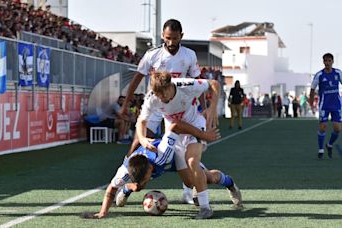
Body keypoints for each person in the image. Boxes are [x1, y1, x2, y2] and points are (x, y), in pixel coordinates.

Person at [119, 19, 206, 203]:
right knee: (137, 143)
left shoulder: (189, 55)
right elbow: (137, 78)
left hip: (177, 106)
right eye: (168, 38)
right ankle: (123, 182)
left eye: (175, 38)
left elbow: (199, 82)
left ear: (181, 36)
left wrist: (204, 109)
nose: (171, 42)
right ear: (162, 36)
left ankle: (188, 190)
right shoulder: (152, 55)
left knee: (183, 150)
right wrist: (126, 102)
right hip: (154, 105)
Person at [82, 121, 242, 219]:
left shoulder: (161, 154)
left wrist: (203, 134)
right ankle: (128, 189)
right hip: (146, 164)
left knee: (204, 179)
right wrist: (103, 212)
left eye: (146, 178)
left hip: (176, 155)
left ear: (150, 169)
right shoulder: (125, 170)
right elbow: (110, 190)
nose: (147, 182)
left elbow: (175, 126)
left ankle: (230, 183)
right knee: (138, 187)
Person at [136, 72, 220, 219]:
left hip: (195, 125)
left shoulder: (184, 85)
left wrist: (212, 107)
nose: (161, 97)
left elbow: (214, 84)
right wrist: (142, 139)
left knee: (192, 161)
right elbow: (141, 121)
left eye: (163, 93)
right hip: (175, 135)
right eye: (158, 94)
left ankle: (205, 208)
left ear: (170, 85)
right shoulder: (152, 97)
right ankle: (223, 180)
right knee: (189, 181)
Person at [309, 53, 342, 159]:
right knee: (323, 127)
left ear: (332, 61)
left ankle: (329, 144)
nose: (327, 63)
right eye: (325, 61)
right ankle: (321, 150)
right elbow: (312, 89)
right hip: (324, 104)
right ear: (323, 62)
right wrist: (311, 102)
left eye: (329, 61)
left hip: (336, 104)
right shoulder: (319, 75)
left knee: (338, 129)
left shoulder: (338, 73)